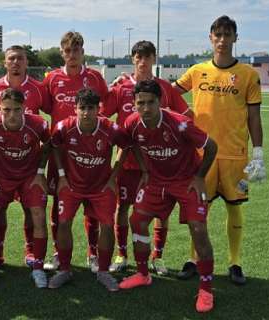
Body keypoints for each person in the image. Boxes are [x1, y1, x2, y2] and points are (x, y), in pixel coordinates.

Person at [174, 15, 266, 285]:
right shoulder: (196, 71)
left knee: (234, 208)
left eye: (228, 35)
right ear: (210, 37)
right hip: (202, 155)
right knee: (199, 209)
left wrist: (258, 152)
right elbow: (169, 93)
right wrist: (133, 82)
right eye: (218, 35)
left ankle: (235, 263)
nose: (223, 40)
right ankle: (193, 259)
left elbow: (254, 118)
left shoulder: (248, 74)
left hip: (235, 155)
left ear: (235, 38)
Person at [119, 80, 218, 313]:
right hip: (156, 181)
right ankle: (143, 274)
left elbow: (211, 146)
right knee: (137, 221)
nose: (145, 108)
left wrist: (199, 177)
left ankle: (206, 289)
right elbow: (130, 145)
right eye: (140, 103)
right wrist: (144, 169)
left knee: (199, 230)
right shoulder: (132, 124)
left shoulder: (180, 124)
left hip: (186, 181)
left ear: (160, 102)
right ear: (134, 104)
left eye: (150, 102)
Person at [102, 40, 192, 274]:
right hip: (127, 161)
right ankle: (122, 254)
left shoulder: (164, 87)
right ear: (132, 59)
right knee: (123, 208)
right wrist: (109, 87)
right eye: (138, 57)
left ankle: (157, 257)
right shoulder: (122, 87)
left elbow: (187, 116)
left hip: (158, 165)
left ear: (154, 59)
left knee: (160, 212)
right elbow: (101, 114)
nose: (142, 61)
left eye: (147, 57)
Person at [47, 88, 128, 292]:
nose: (86, 112)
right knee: (63, 223)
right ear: (75, 109)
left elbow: (126, 146)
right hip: (72, 185)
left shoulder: (110, 128)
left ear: (98, 109)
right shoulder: (63, 127)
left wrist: (113, 177)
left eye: (91, 108)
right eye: (82, 108)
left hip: (101, 187)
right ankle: (65, 269)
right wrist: (62, 176)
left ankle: (103, 271)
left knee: (107, 225)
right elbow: (54, 146)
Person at [43, 31, 109, 272]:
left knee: (91, 204)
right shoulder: (51, 79)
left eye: (76, 50)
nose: (72, 55)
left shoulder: (94, 78)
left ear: (83, 52)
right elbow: (46, 108)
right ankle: (59, 253)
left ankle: (93, 254)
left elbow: (106, 105)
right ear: (62, 52)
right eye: (68, 50)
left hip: (90, 152)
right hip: (60, 152)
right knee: (59, 201)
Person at [0, 88, 51, 287]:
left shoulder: (37, 124)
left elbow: (49, 143)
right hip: (1, 176)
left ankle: (38, 267)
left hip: (29, 177)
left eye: (16, 110)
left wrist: (40, 172)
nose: (11, 115)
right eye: (6, 110)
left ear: (24, 108)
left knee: (38, 215)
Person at [0, 45, 51, 267]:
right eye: (11, 58)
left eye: (20, 59)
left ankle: (31, 252)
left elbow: (53, 117)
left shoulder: (39, 88)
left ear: (26, 62)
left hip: (29, 165)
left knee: (31, 209)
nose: (15, 62)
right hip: (2, 165)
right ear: (5, 62)